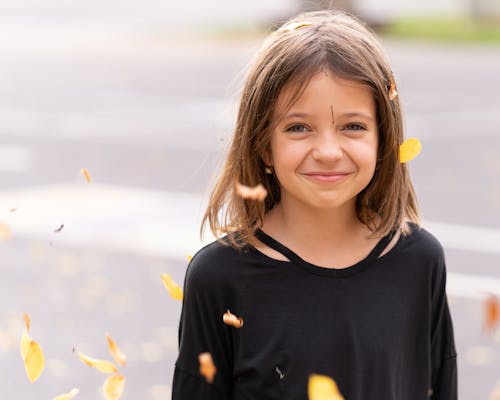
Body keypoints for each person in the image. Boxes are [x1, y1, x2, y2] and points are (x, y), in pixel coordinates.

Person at [172, 9, 457, 400]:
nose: (327, 151)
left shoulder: (419, 262)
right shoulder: (218, 277)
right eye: (298, 128)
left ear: (383, 138)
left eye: (353, 126)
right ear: (263, 146)